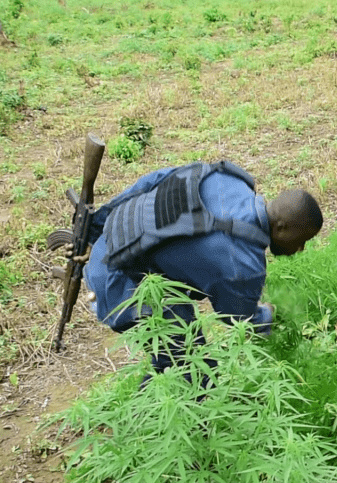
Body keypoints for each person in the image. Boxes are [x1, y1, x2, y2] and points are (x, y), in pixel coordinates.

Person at [82, 160, 323, 382]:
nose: (300, 249)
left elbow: (150, 181)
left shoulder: (229, 177)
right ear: (281, 227)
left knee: (183, 337)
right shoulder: (244, 264)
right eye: (302, 240)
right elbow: (239, 319)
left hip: (110, 245)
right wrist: (268, 316)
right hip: (119, 287)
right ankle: (147, 420)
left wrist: (96, 230)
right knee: (191, 374)